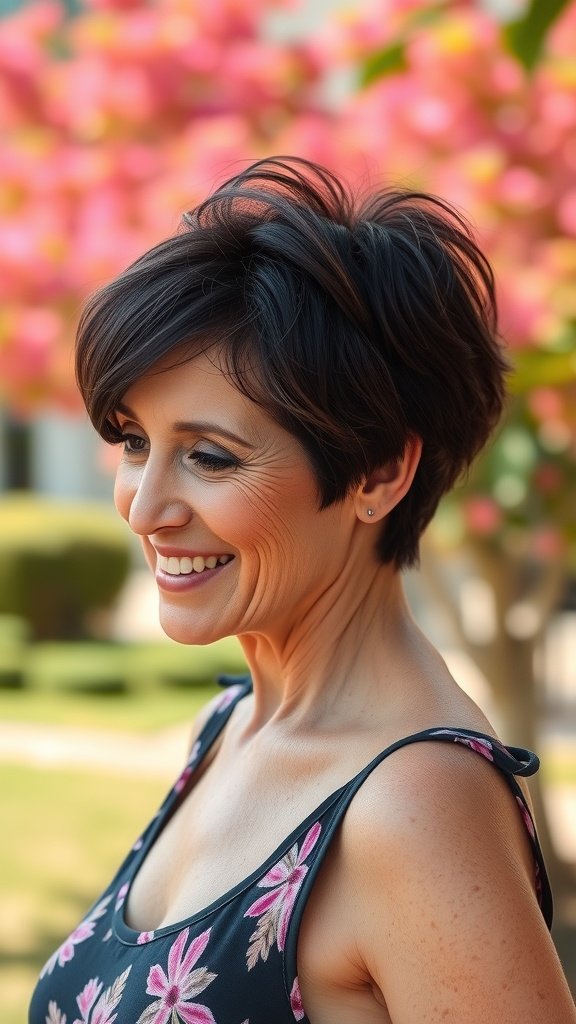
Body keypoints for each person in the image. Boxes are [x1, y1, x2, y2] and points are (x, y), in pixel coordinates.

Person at [30, 156, 575, 1024]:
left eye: (209, 456)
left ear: (379, 470)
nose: (145, 508)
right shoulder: (235, 722)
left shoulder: (413, 803)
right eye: (135, 443)